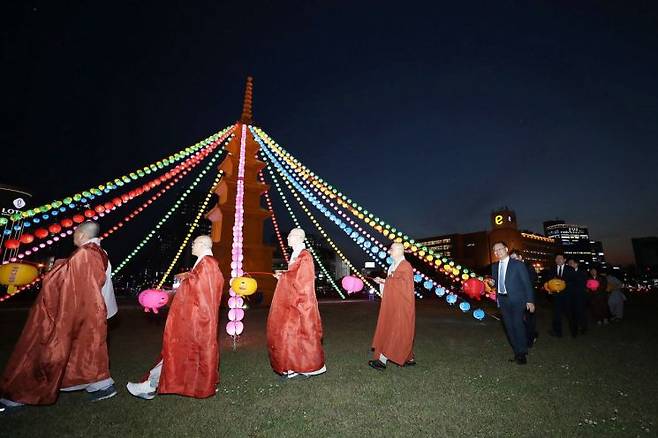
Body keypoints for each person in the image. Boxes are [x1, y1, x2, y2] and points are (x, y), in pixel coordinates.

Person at [0, 221, 117, 413]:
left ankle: (24, 392)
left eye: (74, 236)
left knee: (51, 349)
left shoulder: (85, 254)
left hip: (79, 312)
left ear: (80, 235)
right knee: (87, 350)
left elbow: (72, 284)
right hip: (92, 313)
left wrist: (57, 269)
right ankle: (101, 385)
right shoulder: (100, 253)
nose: (73, 240)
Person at [127, 235, 224, 399]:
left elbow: (205, 294)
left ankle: (150, 385)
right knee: (177, 354)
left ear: (201, 244)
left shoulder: (207, 264)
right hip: (193, 319)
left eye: (194, 243)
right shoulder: (204, 264)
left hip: (195, 320)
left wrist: (187, 280)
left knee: (176, 352)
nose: (192, 246)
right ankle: (152, 384)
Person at [267, 228, 325, 379]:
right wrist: (283, 275)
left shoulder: (304, 256)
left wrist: (284, 277)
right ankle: (291, 366)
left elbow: (303, 280)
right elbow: (293, 275)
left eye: (290, 235)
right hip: (291, 300)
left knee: (302, 335)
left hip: (300, 302)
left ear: (299, 237)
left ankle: (307, 366)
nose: (288, 238)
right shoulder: (296, 255)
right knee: (289, 335)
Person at [369, 242, 415, 371]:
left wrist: (385, 281)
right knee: (398, 329)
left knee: (395, 329)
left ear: (400, 251)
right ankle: (408, 358)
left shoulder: (406, 266)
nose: (389, 252)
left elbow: (402, 285)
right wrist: (382, 281)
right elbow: (393, 281)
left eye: (391, 249)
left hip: (402, 305)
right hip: (393, 303)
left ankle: (382, 361)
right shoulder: (392, 266)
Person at [492, 242, 535, 365]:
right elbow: (497, 283)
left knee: (517, 324)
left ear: (506, 249)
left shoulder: (517, 265)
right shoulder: (494, 266)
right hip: (503, 300)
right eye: (495, 250)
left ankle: (522, 353)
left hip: (517, 300)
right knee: (509, 327)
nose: (498, 252)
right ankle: (517, 352)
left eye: (500, 249)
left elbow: (526, 283)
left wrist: (530, 300)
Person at [509, 250, 538, 347]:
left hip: (527, 298)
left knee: (529, 319)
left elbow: (531, 282)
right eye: (511, 258)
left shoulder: (528, 267)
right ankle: (526, 337)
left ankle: (530, 339)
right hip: (517, 298)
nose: (513, 260)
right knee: (520, 320)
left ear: (520, 257)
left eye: (515, 258)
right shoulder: (513, 267)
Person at [548, 253, 577, 338]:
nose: (558, 259)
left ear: (564, 260)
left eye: (560, 258)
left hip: (567, 296)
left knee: (570, 315)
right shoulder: (552, 269)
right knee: (556, 315)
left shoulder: (570, 269)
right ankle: (558, 333)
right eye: (556, 258)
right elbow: (549, 281)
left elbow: (574, 281)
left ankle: (574, 332)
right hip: (556, 297)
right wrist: (549, 288)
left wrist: (564, 284)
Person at [567, 258, 588, 335]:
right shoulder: (567, 272)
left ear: (576, 264)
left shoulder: (582, 272)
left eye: (571, 263)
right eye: (568, 263)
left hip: (580, 296)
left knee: (581, 312)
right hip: (570, 297)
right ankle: (574, 328)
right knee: (572, 313)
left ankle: (583, 327)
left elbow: (582, 283)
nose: (569, 264)